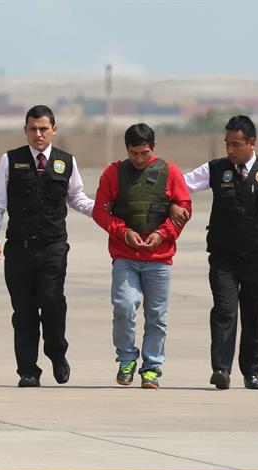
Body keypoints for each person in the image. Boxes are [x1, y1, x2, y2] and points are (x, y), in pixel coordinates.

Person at [169, 115, 258, 390]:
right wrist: (172, 202)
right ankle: (221, 369)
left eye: (236, 144)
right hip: (223, 256)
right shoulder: (216, 169)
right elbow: (182, 184)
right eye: (227, 144)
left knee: (255, 313)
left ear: (252, 143)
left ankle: (251, 370)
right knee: (224, 311)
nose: (230, 150)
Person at [0, 105, 94, 388]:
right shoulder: (10, 160)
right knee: (23, 311)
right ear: (25, 130)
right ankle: (28, 370)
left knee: (52, 301)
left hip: (53, 246)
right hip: (19, 248)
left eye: (43, 129)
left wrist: (102, 210)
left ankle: (57, 354)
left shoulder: (65, 162)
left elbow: (77, 197)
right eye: (32, 129)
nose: (38, 134)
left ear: (54, 130)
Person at [92, 123, 191, 389]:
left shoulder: (170, 172)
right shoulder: (113, 173)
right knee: (124, 306)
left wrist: (163, 233)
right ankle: (126, 358)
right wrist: (122, 232)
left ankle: (152, 368)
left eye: (144, 153)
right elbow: (100, 211)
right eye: (134, 153)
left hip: (159, 260)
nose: (138, 159)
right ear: (127, 149)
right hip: (125, 257)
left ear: (153, 148)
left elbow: (184, 210)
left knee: (157, 315)